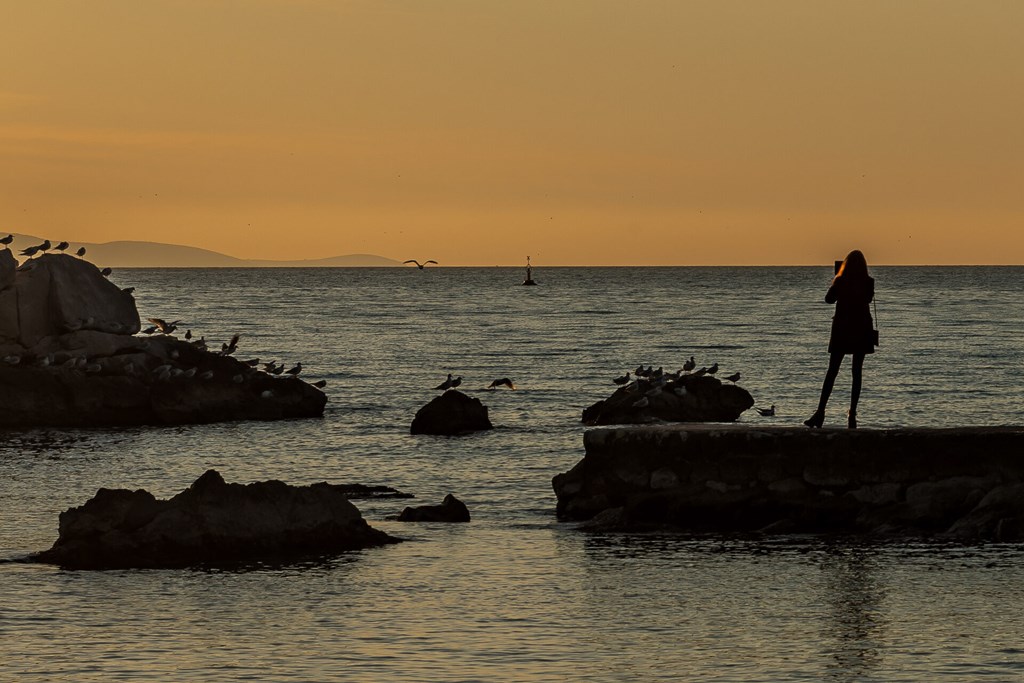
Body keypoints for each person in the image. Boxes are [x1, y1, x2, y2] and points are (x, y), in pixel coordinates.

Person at [805, 250, 876, 429]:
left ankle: (820, 412)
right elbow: (867, 299)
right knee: (856, 373)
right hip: (861, 329)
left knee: (832, 372)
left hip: (842, 329)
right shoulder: (868, 282)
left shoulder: (841, 280)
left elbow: (829, 300)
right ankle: (852, 414)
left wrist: (836, 278)